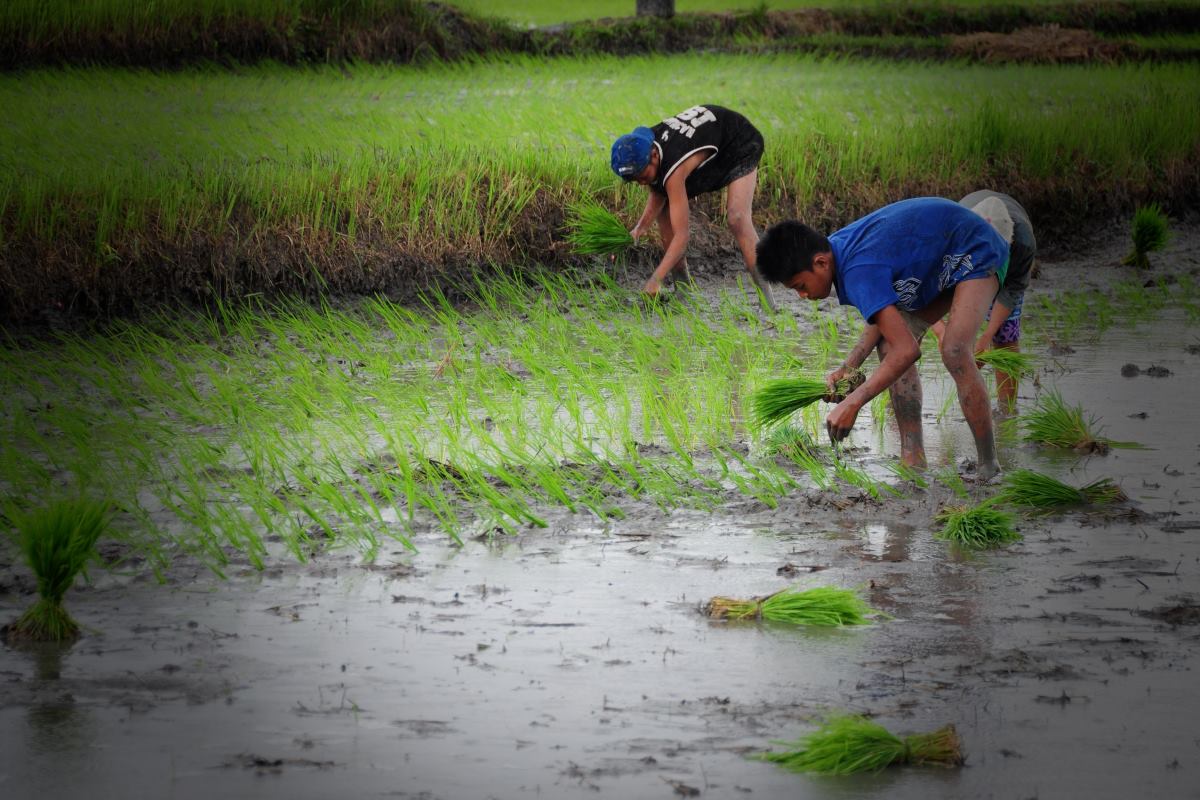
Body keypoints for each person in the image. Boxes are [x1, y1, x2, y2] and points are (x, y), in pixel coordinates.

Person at [755, 197, 1010, 481]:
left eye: (800, 286)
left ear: (820, 262)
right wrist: (848, 367)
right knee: (889, 346)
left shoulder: (856, 269)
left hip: (975, 249)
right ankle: (913, 460)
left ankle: (989, 465)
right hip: (937, 263)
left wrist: (852, 403)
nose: (802, 296)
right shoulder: (838, 251)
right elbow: (887, 323)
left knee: (953, 349)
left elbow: (908, 350)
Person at [610, 104, 775, 310]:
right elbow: (656, 188)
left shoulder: (673, 165)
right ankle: (684, 292)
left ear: (653, 156)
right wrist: (638, 229)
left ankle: (768, 301)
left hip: (738, 141)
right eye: (635, 180)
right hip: (706, 142)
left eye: (642, 176)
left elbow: (683, 236)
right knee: (665, 209)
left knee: (737, 218)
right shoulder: (643, 148)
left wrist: (655, 279)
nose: (642, 182)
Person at [930, 190, 1036, 415]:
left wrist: (987, 335)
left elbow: (1014, 289)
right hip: (964, 260)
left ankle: (1007, 412)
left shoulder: (1023, 244)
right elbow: (923, 289)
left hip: (1008, 269)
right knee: (924, 329)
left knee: (1006, 336)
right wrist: (941, 331)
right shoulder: (950, 235)